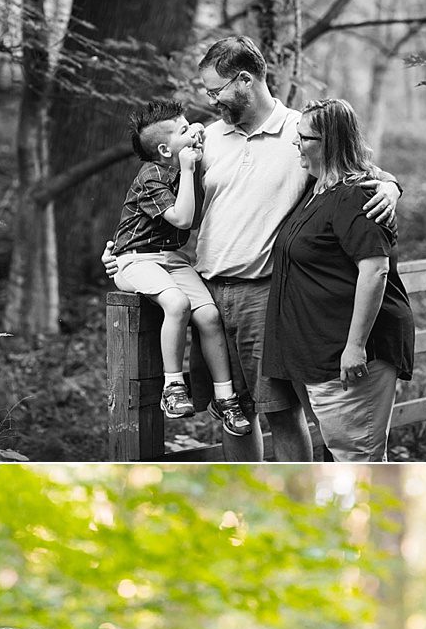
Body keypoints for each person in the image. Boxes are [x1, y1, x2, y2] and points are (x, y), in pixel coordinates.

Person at [103, 36, 401, 461]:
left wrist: (390, 188)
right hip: (204, 291)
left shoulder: (301, 131)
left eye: (215, 90)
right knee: (233, 412)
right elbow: (156, 195)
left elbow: (359, 169)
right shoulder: (205, 138)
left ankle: (291, 505)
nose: (210, 100)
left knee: (281, 411)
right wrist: (123, 252)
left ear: (245, 80)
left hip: (266, 295)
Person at [262, 99, 415, 462]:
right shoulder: (317, 188)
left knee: (357, 458)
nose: (296, 144)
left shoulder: (356, 195)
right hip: (321, 350)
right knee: (343, 453)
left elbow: (375, 270)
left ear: (329, 142)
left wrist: (355, 346)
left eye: (304, 138)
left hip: (353, 352)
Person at [111, 100, 248, 435]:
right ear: (164, 149)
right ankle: (173, 388)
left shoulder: (174, 161)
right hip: (134, 259)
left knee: (209, 316)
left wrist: (193, 132)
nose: (194, 134)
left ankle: (225, 397)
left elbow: (195, 134)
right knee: (177, 304)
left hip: (171, 259)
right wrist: (188, 169)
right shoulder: (151, 175)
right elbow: (184, 219)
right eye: (184, 131)